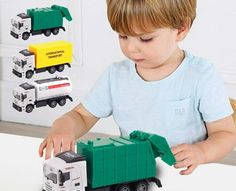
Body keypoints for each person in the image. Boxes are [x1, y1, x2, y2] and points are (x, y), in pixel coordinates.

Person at [39, 0, 236, 175]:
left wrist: (201, 152)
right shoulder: (115, 76)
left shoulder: (200, 75)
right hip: (133, 170)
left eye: (145, 38)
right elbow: (82, 116)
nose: (131, 48)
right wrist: (63, 127)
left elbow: (225, 134)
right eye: (123, 36)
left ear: (181, 29)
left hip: (184, 176)